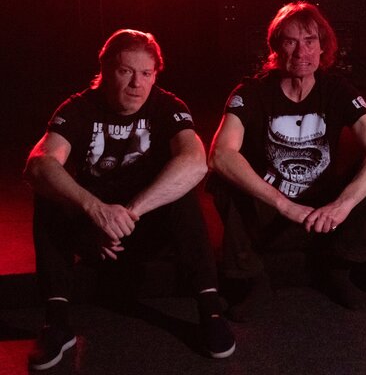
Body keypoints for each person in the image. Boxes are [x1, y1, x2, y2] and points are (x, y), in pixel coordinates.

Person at [24, 29, 236, 370]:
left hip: (144, 225)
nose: (137, 83)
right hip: (94, 232)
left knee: (182, 192)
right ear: (106, 71)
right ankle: (56, 322)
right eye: (126, 71)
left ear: (155, 75)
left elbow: (196, 162)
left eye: (146, 73)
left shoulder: (167, 106)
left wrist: (128, 214)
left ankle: (210, 311)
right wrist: (96, 212)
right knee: (47, 192)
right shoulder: (79, 108)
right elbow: (38, 164)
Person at [207, 2, 366, 321]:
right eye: (291, 41)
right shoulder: (252, 92)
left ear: (323, 47)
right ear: (276, 47)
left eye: (310, 41)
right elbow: (220, 154)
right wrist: (284, 204)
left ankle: (340, 269)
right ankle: (251, 279)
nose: (301, 52)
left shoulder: (336, 89)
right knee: (223, 177)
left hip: (324, 215)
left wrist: (343, 205)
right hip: (270, 213)